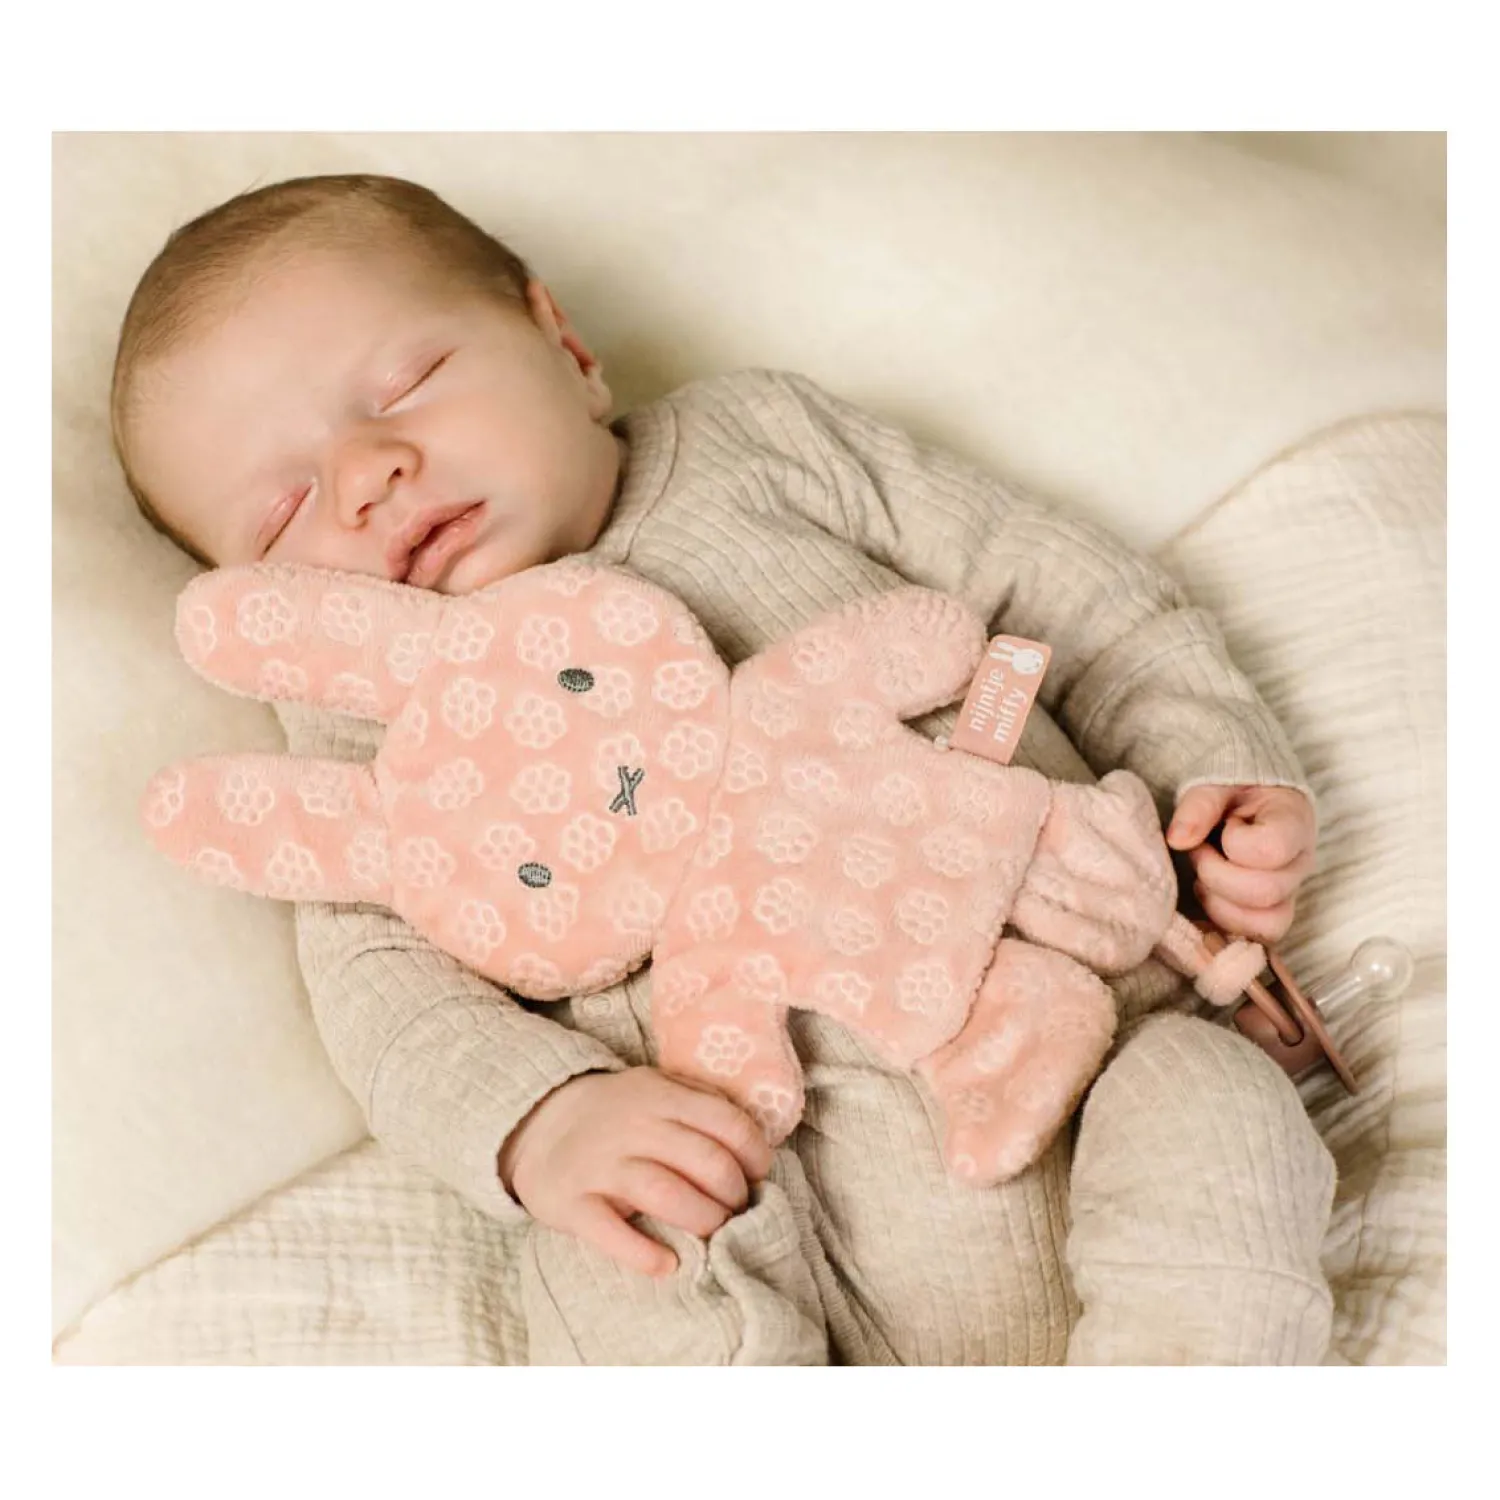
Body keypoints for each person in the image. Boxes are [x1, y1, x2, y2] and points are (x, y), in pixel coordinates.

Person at [110, 172, 1336, 1364]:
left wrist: (1210, 772)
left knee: (1220, 1103)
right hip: (755, 1189)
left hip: (1089, 1063)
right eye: (281, 515)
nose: (365, 477)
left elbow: (1063, 587)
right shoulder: (364, 737)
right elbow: (379, 990)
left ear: (565, 345)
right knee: (627, 1258)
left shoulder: (761, 443)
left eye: (408, 383)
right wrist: (543, 1119)